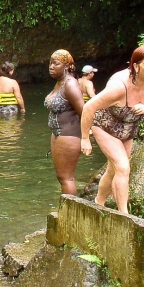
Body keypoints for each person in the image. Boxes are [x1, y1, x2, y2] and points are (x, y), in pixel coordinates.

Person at [80, 45, 144, 214]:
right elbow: (89, 108)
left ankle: (98, 202)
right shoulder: (119, 87)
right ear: (136, 66)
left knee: (114, 169)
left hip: (128, 128)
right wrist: (85, 138)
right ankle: (124, 215)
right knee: (122, 167)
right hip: (105, 125)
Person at [44, 50, 85, 195]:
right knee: (61, 177)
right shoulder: (59, 83)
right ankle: (66, 209)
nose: (51, 66)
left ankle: (69, 212)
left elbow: (84, 111)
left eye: (56, 64)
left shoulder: (70, 84)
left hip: (69, 134)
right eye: (50, 63)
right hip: (57, 134)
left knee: (66, 178)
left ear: (66, 66)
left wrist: (86, 138)